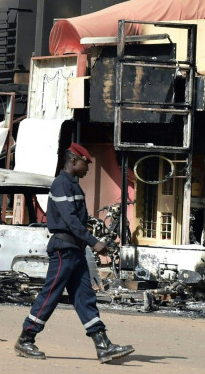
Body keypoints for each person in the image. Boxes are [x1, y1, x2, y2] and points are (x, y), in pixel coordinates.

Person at [14, 142, 135, 364]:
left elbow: (78, 219)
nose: (87, 168)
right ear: (73, 161)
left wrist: (92, 239)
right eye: (85, 163)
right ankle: (26, 338)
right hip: (64, 250)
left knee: (85, 297)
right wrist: (93, 242)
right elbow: (69, 220)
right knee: (50, 294)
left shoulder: (73, 185)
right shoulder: (61, 184)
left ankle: (103, 345)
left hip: (75, 250)